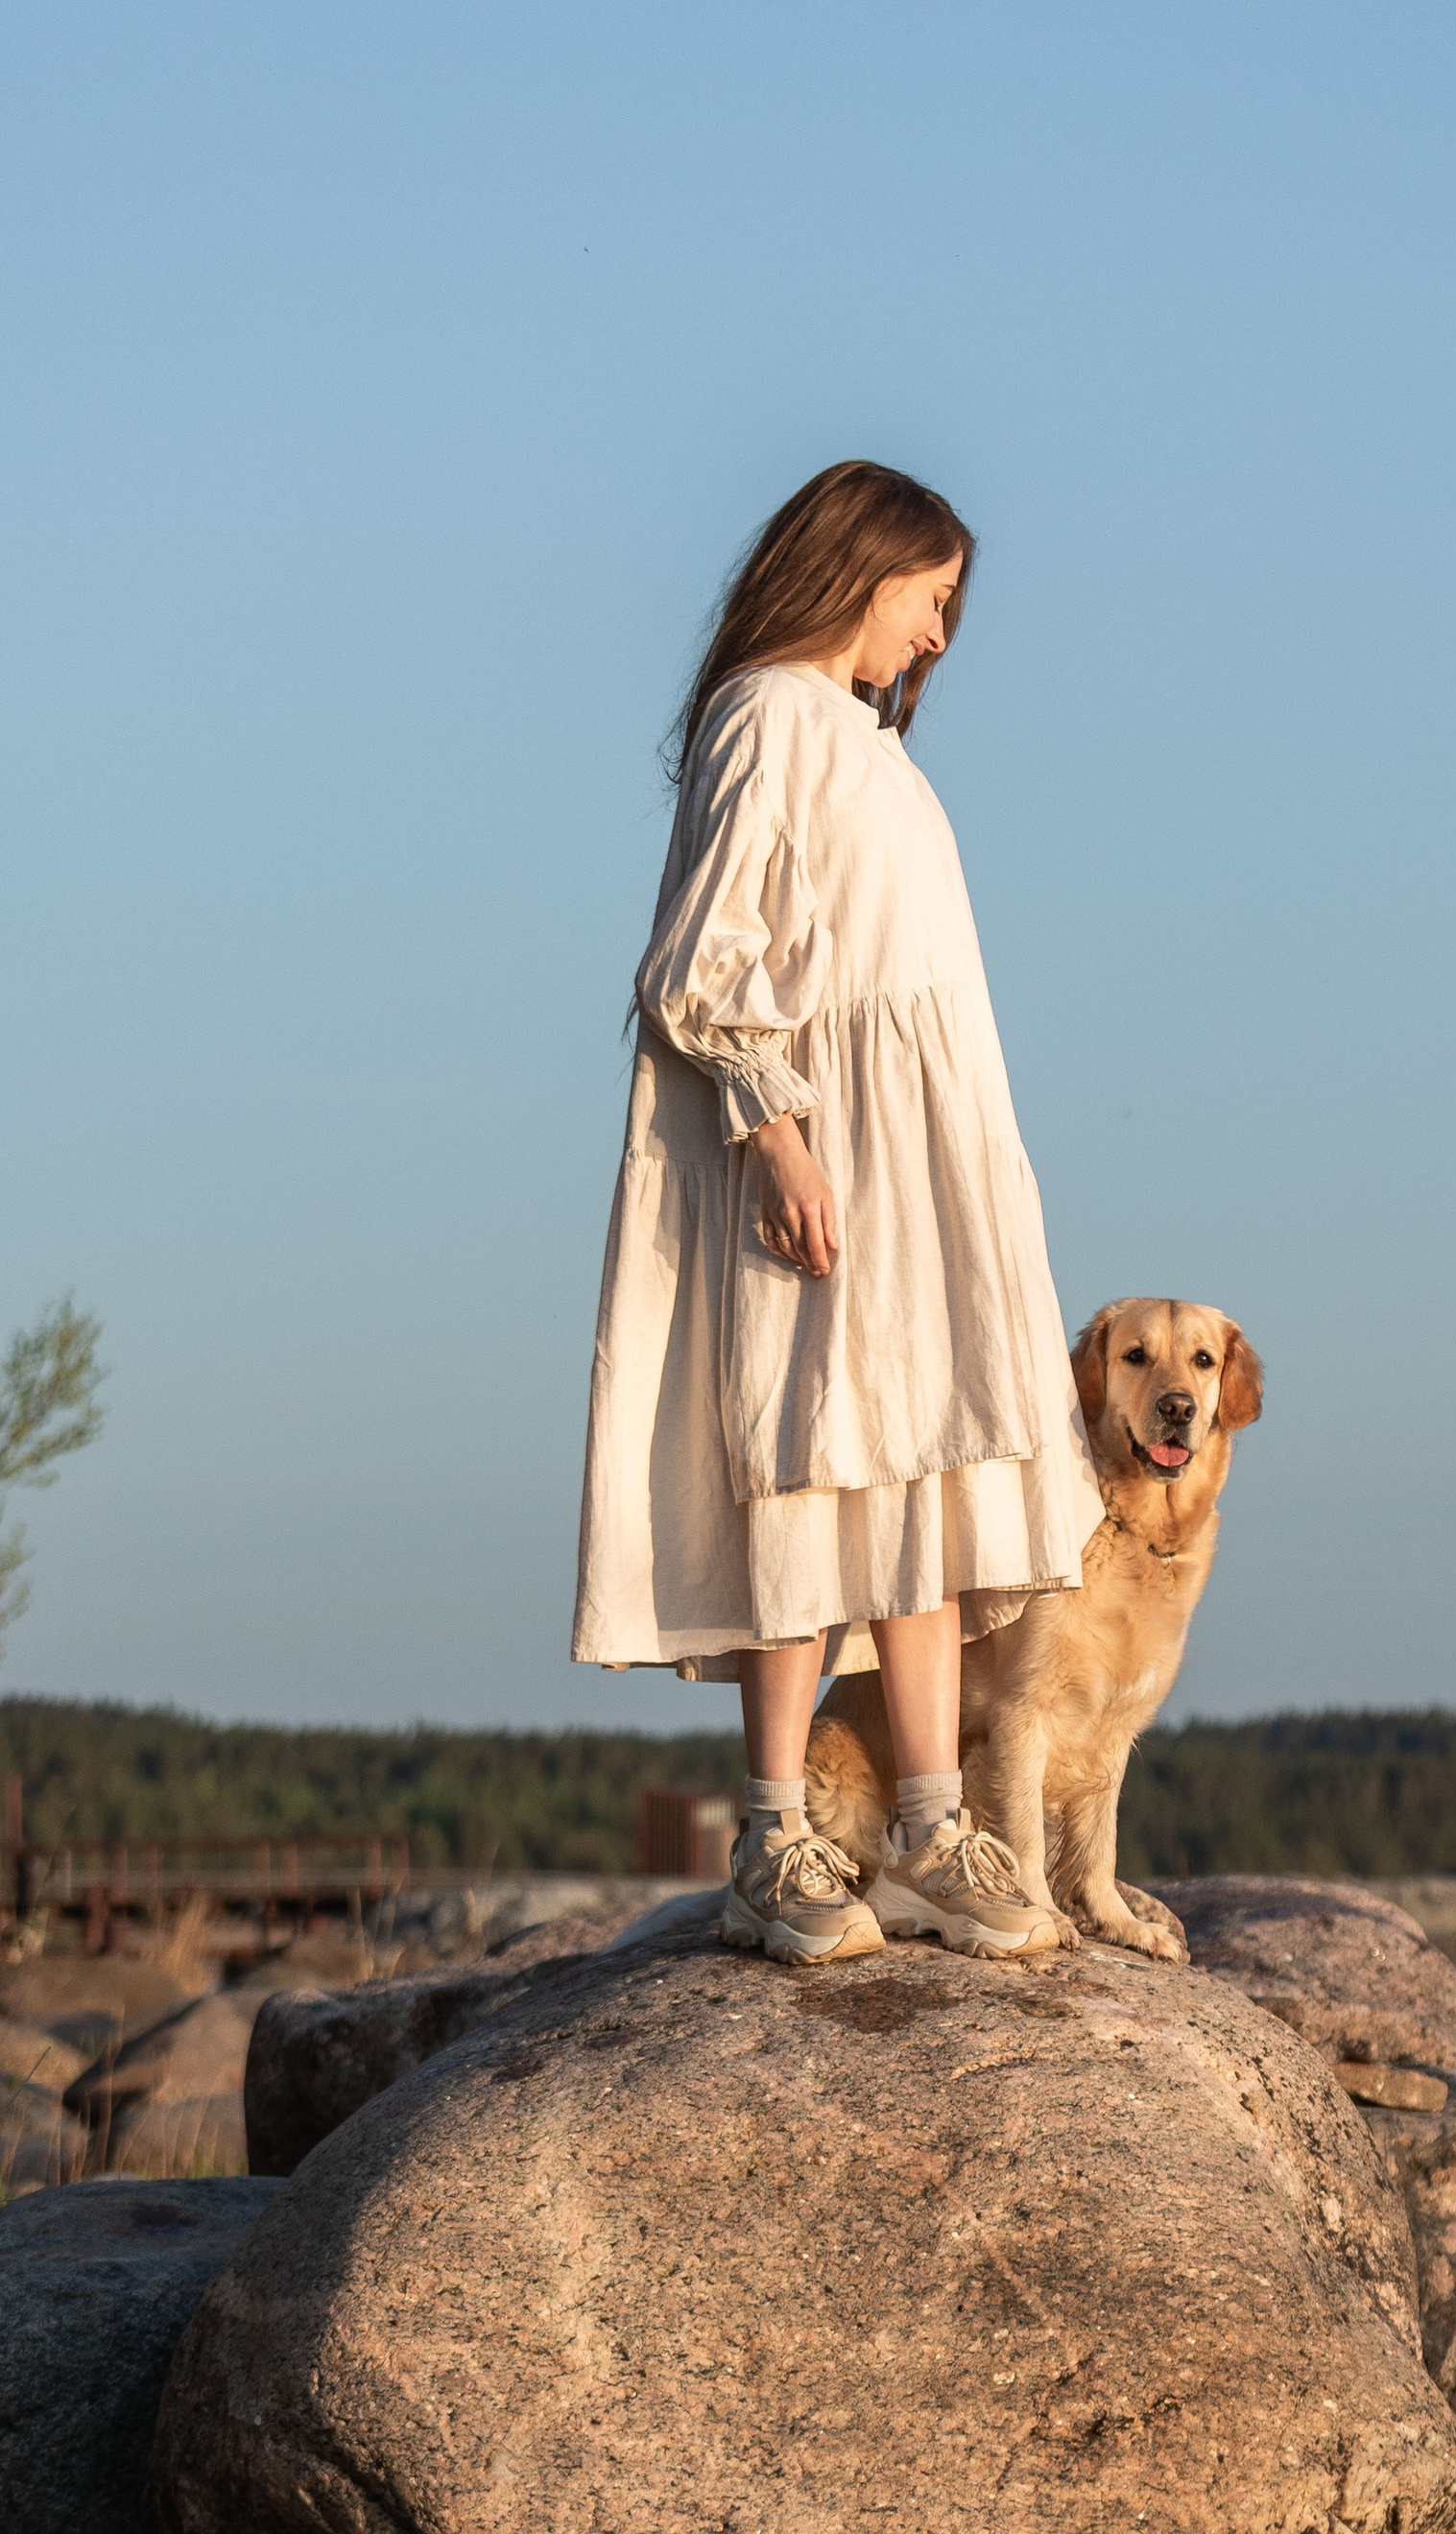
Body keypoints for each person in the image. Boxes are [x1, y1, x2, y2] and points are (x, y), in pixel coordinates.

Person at [572, 460, 1103, 1962]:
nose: (939, 640)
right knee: (806, 1459)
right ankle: (772, 1837)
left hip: (924, 1156)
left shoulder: (865, 744)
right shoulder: (765, 714)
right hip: (822, 1151)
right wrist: (783, 1140)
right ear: (861, 569)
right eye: (932, 601)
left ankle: (933, 1826)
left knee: (920, 1470)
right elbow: (700, 966)